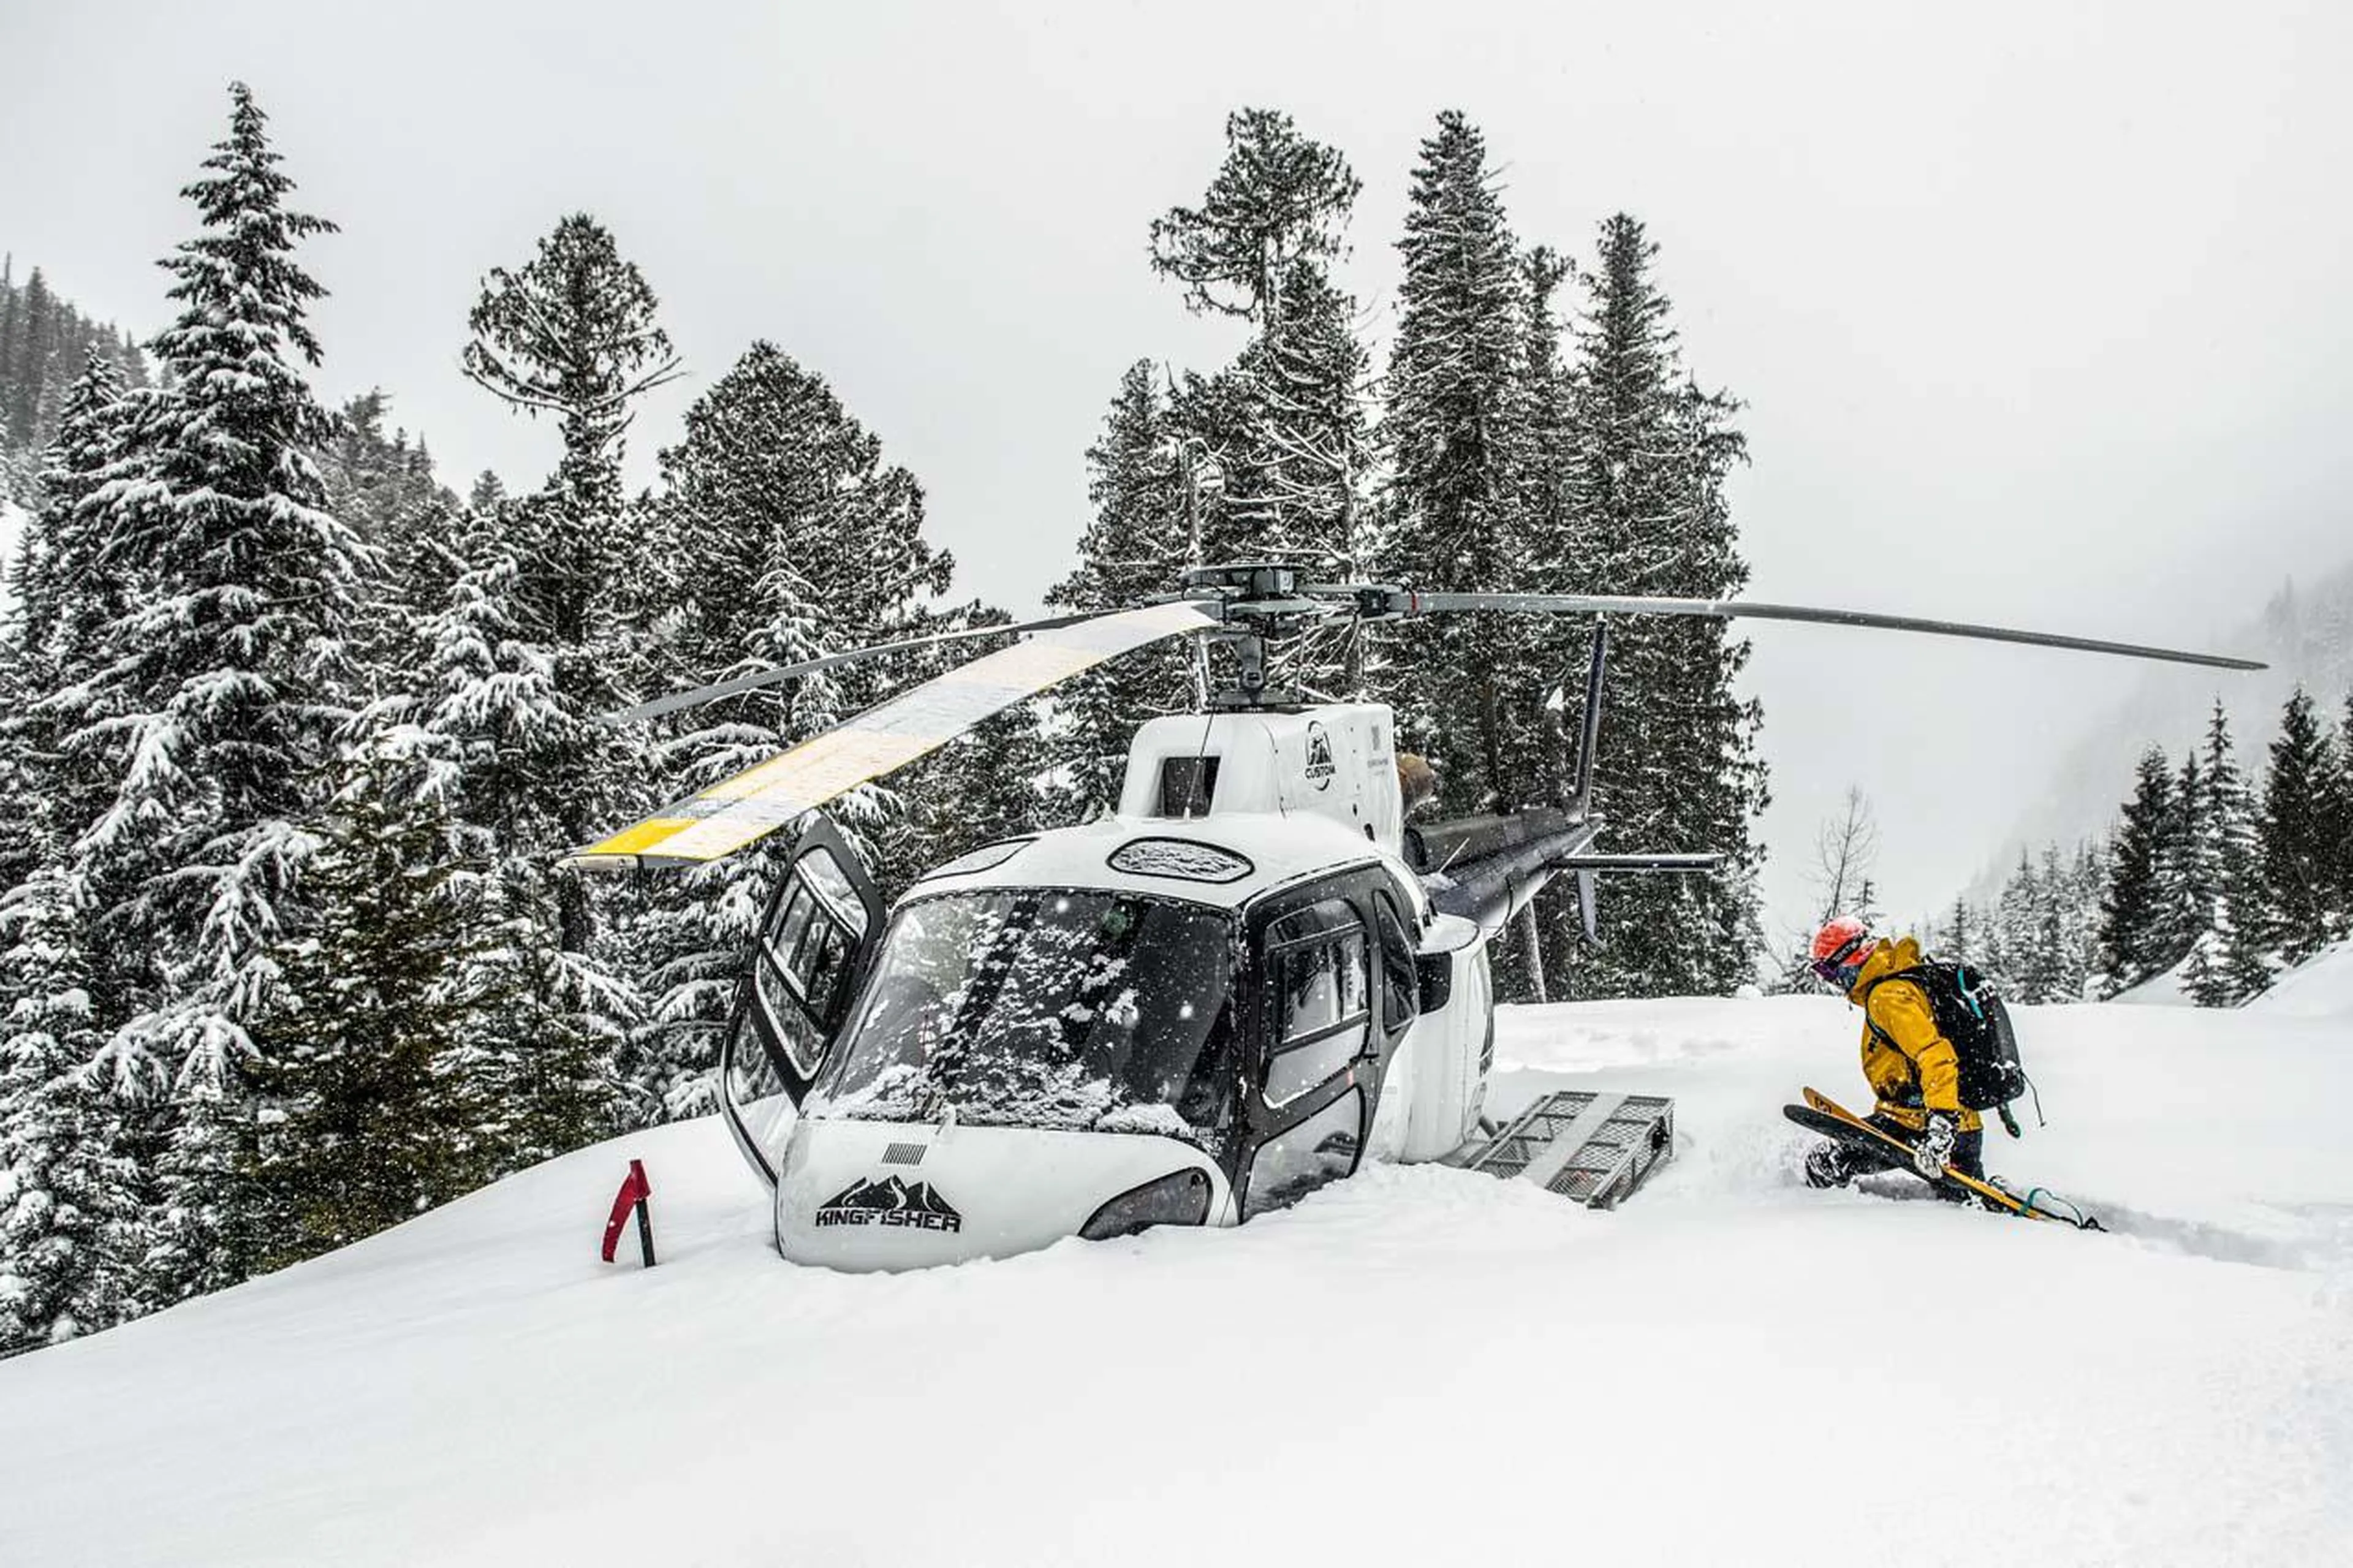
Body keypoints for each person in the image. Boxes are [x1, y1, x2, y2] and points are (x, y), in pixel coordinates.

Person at [1802, 914, 1985, 1194]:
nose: (1833, 982)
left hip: (1919, 1124)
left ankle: (1805, 1209)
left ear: (1849, 958)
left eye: (1828, 971)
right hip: (1959, 1123)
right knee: (1968, 1200)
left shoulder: (1888, 996)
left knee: (1824, 1163)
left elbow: (1936, 1054)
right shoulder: (1903, 981)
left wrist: (1942, 1125)